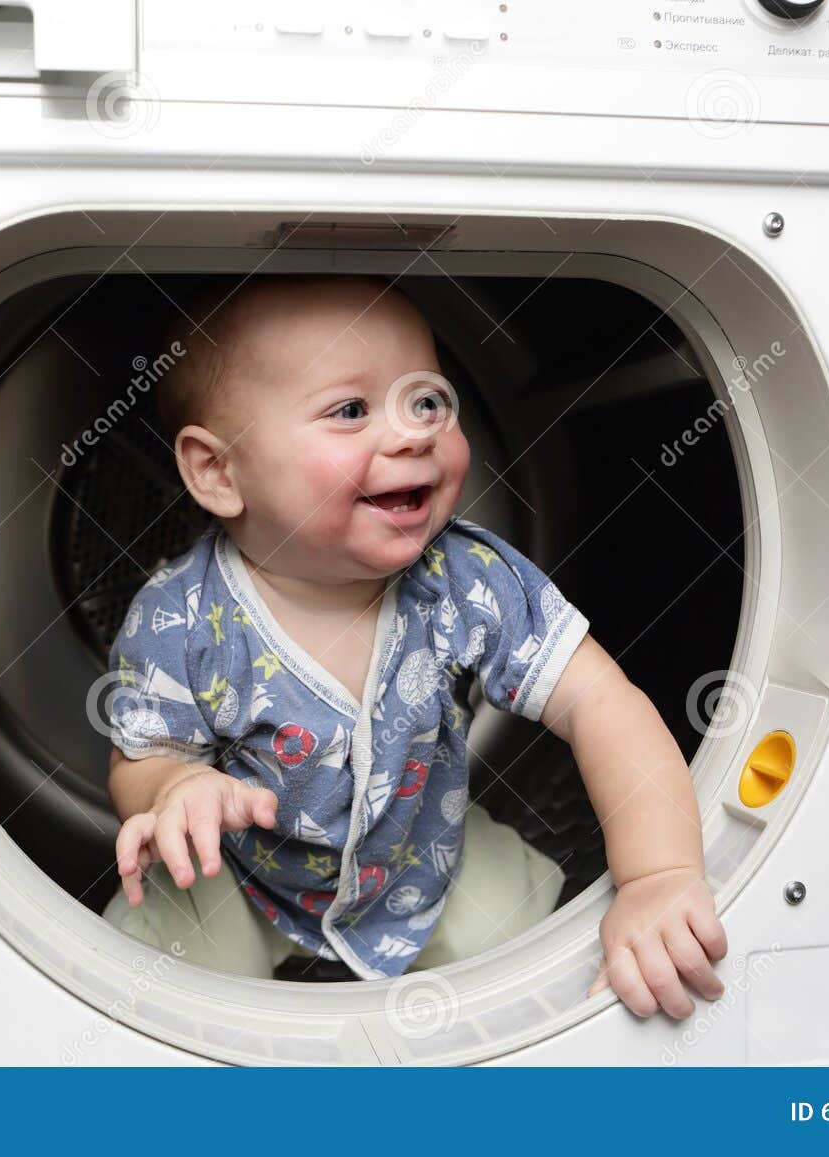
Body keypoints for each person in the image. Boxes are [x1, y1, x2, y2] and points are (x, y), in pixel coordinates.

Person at [99, 274, 726, 1018]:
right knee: (159, 980)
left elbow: (600, 701)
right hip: (238, 872)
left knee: (542, 956)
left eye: (427, 399)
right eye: (351, 409)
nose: (414, 431)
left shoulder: (466, 579)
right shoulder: (181, 616)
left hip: (423, 855)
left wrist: (657, 874)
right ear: (217, 470)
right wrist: (174, 790)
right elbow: (143, 757)